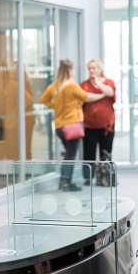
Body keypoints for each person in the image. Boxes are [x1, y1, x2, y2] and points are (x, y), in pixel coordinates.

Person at [40, 59, 105, 191]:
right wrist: (102, 95)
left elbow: (43, 99)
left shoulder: (54, 86)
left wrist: (56, 107)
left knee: (68, 155)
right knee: (70, 157)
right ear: (70, 70)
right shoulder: (72, 86)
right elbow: (86, 97)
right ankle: (65, 182)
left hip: (59, 127)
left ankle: (64, 181)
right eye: (73, 69)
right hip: (72, 126)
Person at [80, 59, 116, 186]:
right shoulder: (84, 84)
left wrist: (98, 84)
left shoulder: (108, 82)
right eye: (89, 68)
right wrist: (102, 95)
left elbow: (110, 92)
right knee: (88, 153)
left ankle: (104, 178)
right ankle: (87, 178)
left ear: (100, 69)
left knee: (105, 152)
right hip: (90, 126)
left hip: (107, 125)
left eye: (94, 68)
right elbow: (86, 97)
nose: (91, 70)